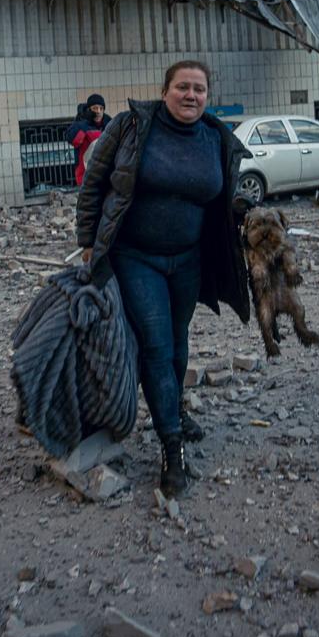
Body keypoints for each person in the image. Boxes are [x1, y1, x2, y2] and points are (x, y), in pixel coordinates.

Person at [76, 61, 252, 497]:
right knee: (155, 345)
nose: (190, 95)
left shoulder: (216, 138)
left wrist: (245, 212)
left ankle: (171, 411)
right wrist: (87, 242)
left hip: (188, 261)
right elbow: (95, 183)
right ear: (165, 90)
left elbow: (219, 197)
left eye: (199, 89)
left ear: (207, 95)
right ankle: (171, 450)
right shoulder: (133, 126)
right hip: (137, 257)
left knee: (178, 341)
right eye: (182, 87)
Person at [66, 94, 110, 186]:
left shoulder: (109, 124)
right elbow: (73, 139)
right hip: (86, 176)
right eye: (95, 108)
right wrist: (84, 123)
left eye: (101, 108)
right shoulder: (80, 124)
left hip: (105, 175)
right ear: (89, 109)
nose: (98, 112)